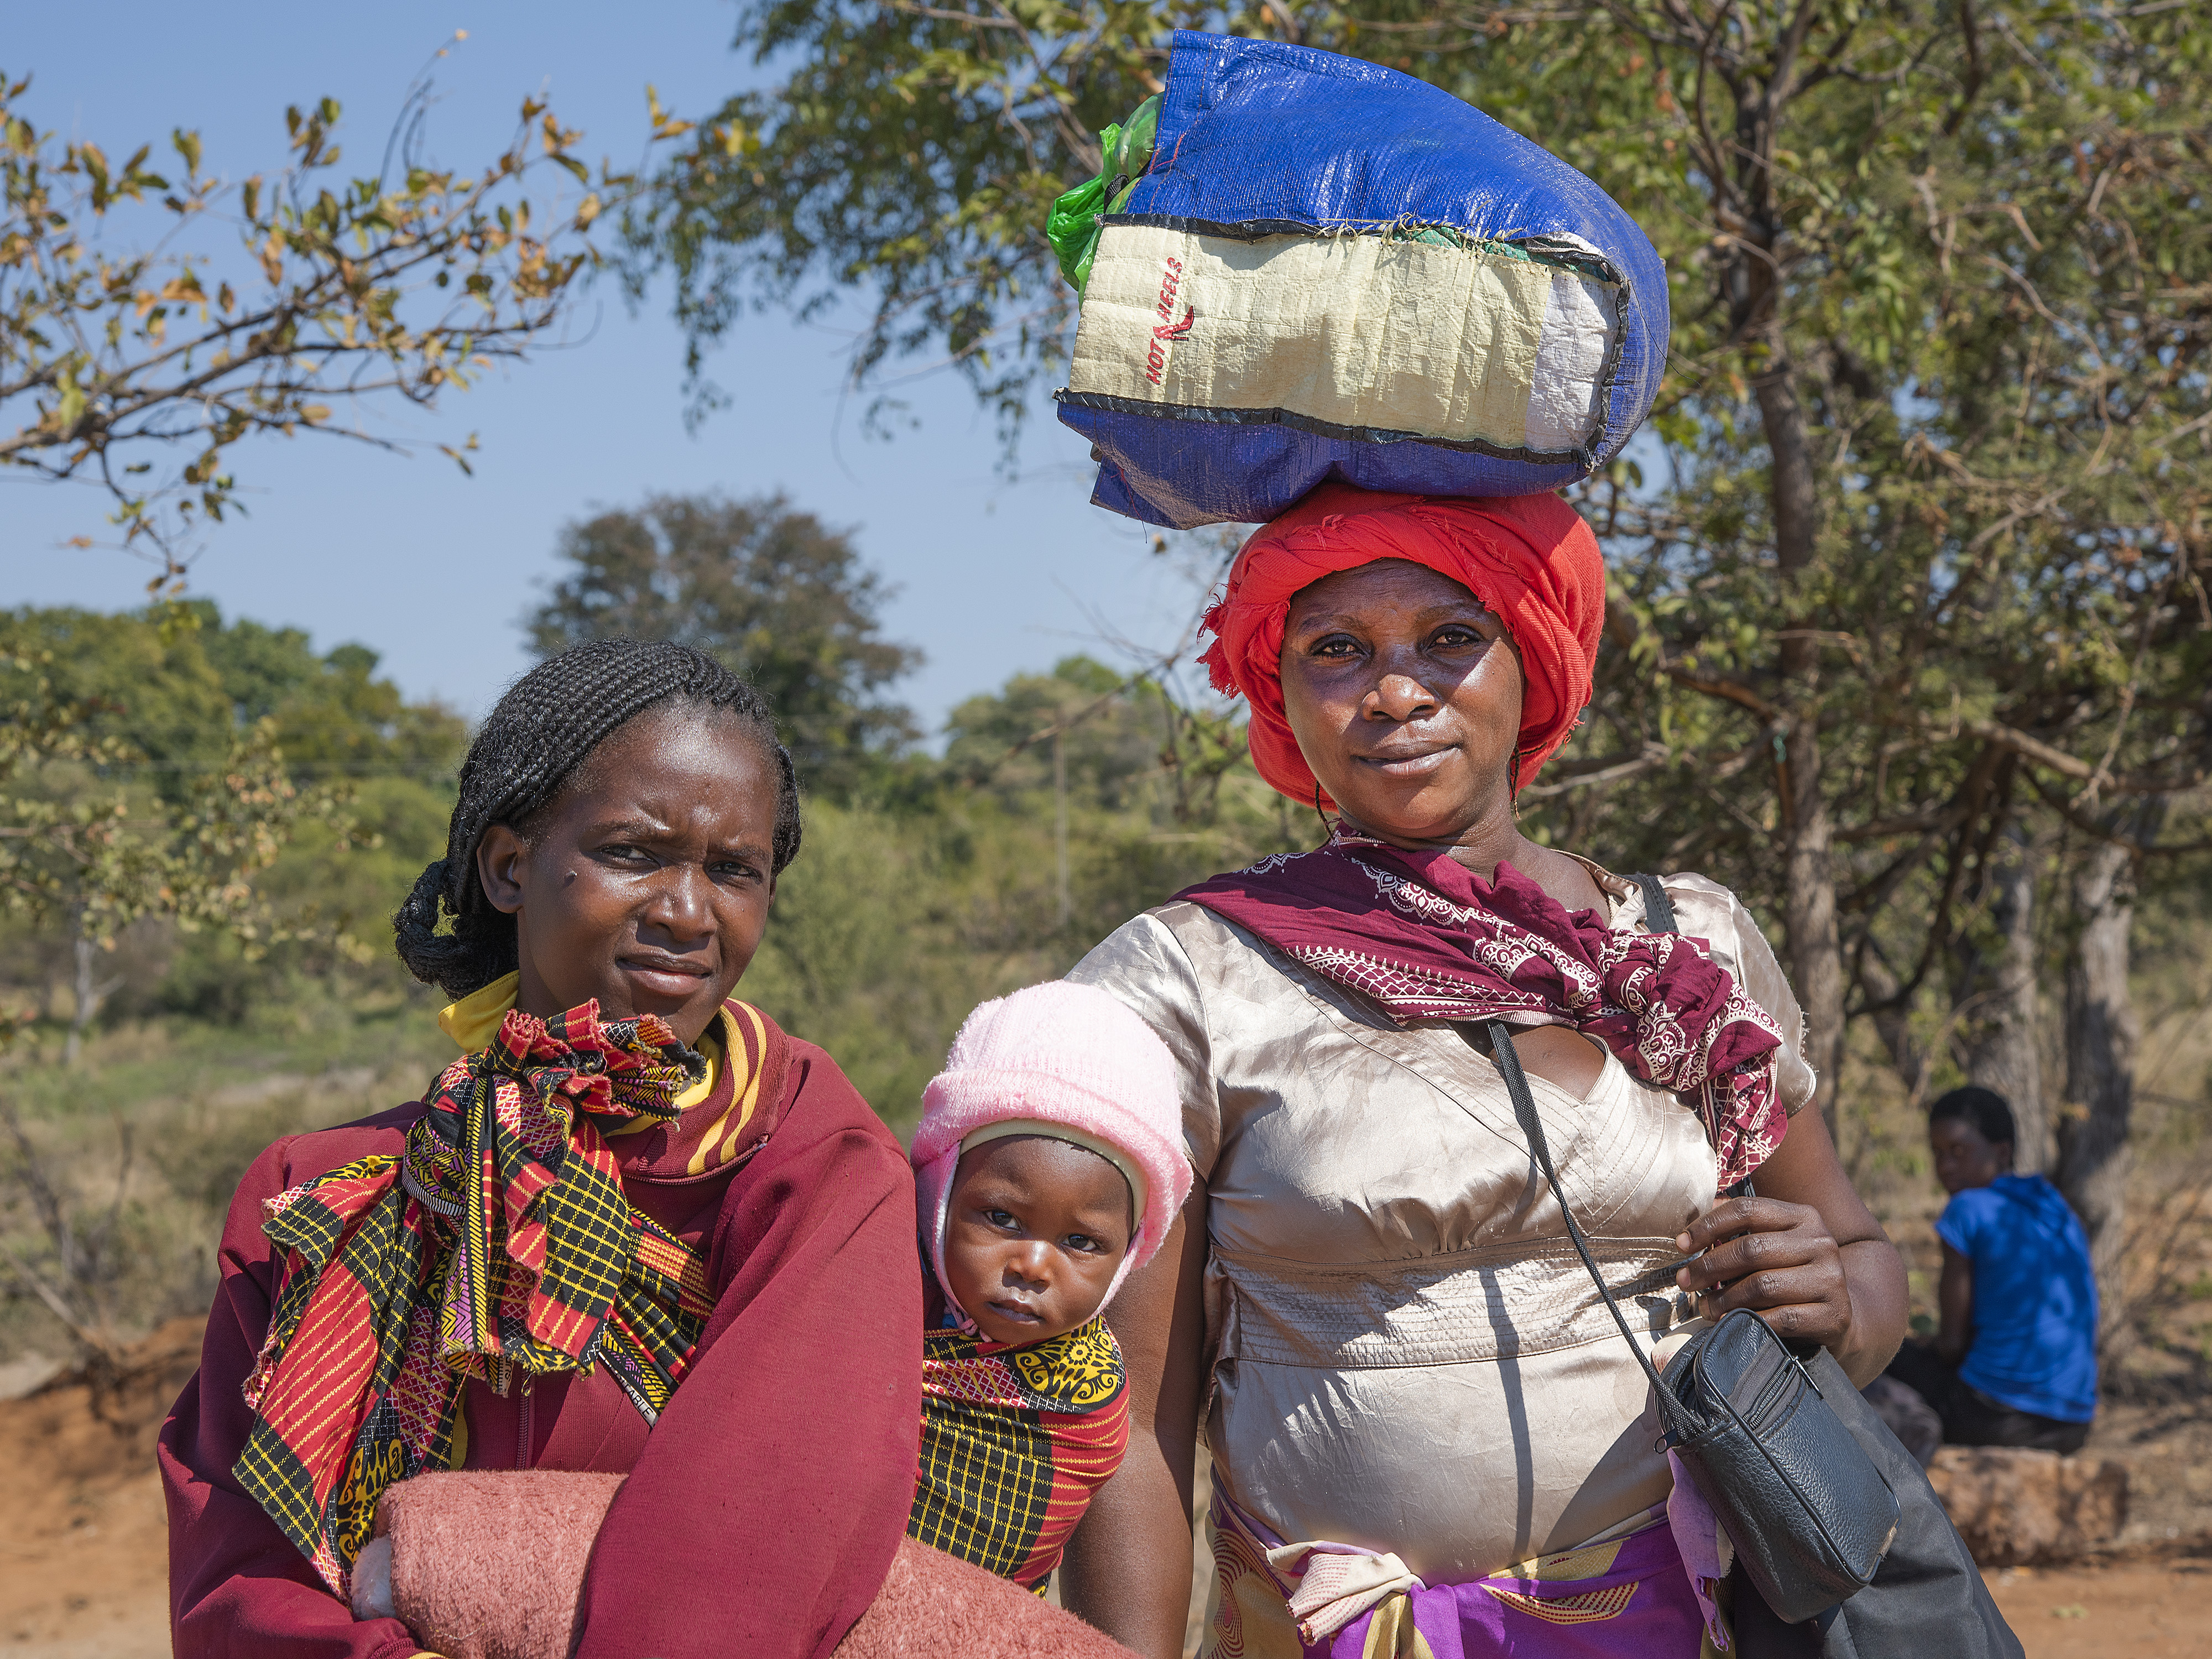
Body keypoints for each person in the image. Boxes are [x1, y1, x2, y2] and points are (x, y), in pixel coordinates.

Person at [1057, 484, 1910, 1659]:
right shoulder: (1190, 980)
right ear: (1281, 693)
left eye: (1450, 639)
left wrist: (1837, 1307)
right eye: (1335, 651)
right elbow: (1129, 1423)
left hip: (1694, 1622)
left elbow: (1860, 1267)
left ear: (1534, 665)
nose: (1395, 692)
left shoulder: (1685, 949)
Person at [159, 640, 924, 1659]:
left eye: (735, 871)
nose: (690, 913)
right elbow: (240, 1571)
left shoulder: (814, 1170)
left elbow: (747, 1562)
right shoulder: (323, 1194)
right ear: (512, 867)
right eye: (636, 852)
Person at [905, 980, 1192, 1592]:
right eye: (1002, 1219)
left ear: (1128, 1256)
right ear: (939, 1196)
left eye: (1081, 1243)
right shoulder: (860, 1300)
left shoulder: (1088, 1403)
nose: (1033, 1266)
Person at [1882, 1086, 2098, 1454]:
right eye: (1938, 1153)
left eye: (1959, 1151)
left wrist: (1926, 1346)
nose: (1945, 1166)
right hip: (2074, 1422)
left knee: (1879, 1354)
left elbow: (1952, 1346)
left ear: (2002, 1152)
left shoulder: (1967, 1209)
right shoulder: (2052, 1203)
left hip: (1997, 1417)